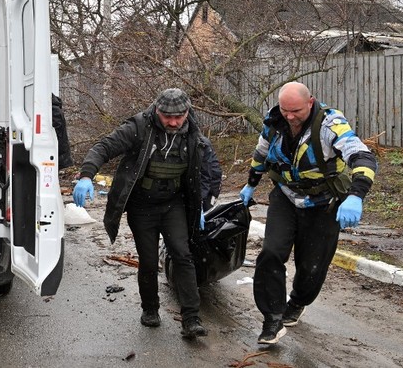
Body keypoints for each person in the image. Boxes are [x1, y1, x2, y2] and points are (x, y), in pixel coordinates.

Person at [238, 82, 377, 345]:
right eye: (285, 109)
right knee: (270, 253)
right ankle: (272, 319)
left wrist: (356, 195)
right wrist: (250, 183)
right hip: (286, 197)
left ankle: (298, 302)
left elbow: (362, 157)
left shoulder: (330, 125)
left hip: (323, 202)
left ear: (310, 102)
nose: (289, 116)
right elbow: (261, 153)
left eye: (296, 111)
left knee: (312, 266)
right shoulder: (274, 121)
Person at [73, 88, 210, 339]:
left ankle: (191, 318)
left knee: (182, 255)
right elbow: (104, 147)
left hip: (173, 204)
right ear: (157, 110)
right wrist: (86, 175)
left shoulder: (193, 132)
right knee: (148, 260)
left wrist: (202, 203)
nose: (173, 122)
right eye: (167, 116)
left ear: (187, 113)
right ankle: (150, 309)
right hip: (142, 205)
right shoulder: (138, 126)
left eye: (179, 117)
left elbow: (205, 169)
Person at [199, 135, 222, 211]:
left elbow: (207, 174)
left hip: (212, 184)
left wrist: (201, 199)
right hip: (208, 180)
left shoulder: (201, 143)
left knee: (207, 212)